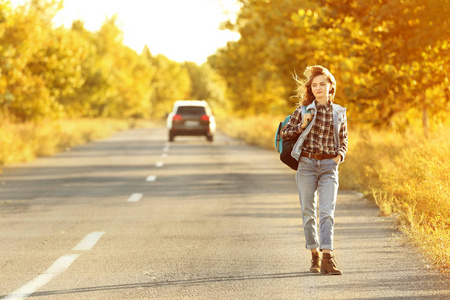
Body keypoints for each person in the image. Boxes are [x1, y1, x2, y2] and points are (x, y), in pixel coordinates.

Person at [281, 65, 348, 275]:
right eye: (315, 85)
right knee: (308, 212)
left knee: (327, 213)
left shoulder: (339, 112)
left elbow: (344, 139)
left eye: (322, 84)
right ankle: (315, 257)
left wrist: (339, 156)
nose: (318, 88)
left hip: (329, 166)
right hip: (307, 165)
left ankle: (328, 257)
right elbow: (285, 133)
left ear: (331, 87)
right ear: (311, 88)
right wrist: (301, 125)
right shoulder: (303, 110)